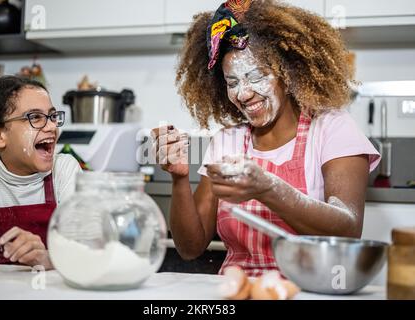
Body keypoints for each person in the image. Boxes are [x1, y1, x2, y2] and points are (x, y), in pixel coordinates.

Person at [151, 0, 380, 276]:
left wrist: (268, 189)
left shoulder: (332, 128)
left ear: (288, 72)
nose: (244, 94)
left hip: (309, 291)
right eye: (232, 82)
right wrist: (179, 179)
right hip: (237, 292)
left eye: (257, 76)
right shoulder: (227, 141)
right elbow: (190, 248)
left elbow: (348, 229)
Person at [0, 76, 81, 269]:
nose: (52, 127)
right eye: (35, 117)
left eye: (52, 116)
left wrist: (46, 258)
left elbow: (85, 247)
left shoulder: (64, 169)